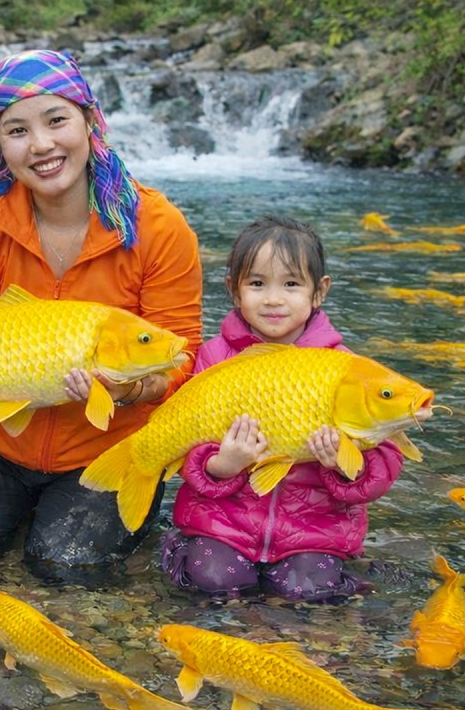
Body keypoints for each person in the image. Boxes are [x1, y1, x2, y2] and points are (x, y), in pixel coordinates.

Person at [0, 49, 203, 578]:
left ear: (89, 120)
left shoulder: (160, 227)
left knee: (66, 569)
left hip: (109, 445)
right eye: (17, 130)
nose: (40, 145)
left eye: (56, 120)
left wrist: (129, 389)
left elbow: (182, 358)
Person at [161, 215, 404, 602]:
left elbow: (382, 467)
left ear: (318, 291)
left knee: (310, 591)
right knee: (214, 581)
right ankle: (180, 551)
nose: (273, 299)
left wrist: (341, 464)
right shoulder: (215, 358)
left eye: (291, 284)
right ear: (234, 290)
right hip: (224, 525)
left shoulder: (347, 371)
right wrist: (223, 464)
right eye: (257, 284)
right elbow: (187, 441)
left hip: (312, 531)